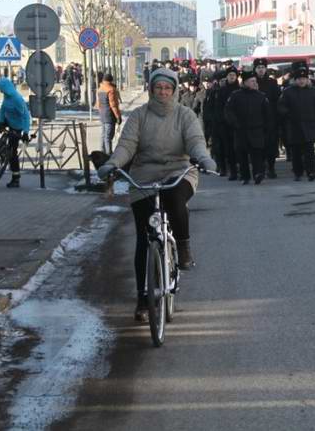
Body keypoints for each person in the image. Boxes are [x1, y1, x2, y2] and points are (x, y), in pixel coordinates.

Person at [96, 68, 216, 321]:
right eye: (158, 87)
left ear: (174, 90)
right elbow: (127, 145)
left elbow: (195, 140)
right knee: (144, 237)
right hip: (144, 175)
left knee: (174, 199)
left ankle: (183, 247)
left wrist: (203, 158)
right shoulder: (140, 115)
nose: (163, 92)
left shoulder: (185, 115)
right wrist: (114, 163)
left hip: (179, 171)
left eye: (167, 88)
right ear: (151, 89)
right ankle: (143, 299)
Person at [278, 65, 315, 181]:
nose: (302, 81)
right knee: (296, 151)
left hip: (309, 126)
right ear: (295, 80)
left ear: (307, 80)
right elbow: (281, 107)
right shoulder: (288, 92)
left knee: (309, 151)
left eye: (304, 79)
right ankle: (298, 172)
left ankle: (312, 171)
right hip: (294, 126)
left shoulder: (314, 92)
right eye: (299, 79)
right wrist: (288, 114)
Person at [224, 71, 269, 185]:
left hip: (256, 130)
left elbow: (267, 114)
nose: (255, 83)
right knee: (242, 154)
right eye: (252, 81)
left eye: (255, 81)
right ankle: (245, 176)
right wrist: (234, 123)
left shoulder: (261, 96)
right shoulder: (235, 95)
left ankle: (258, 174)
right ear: (244, 82)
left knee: (257, 154)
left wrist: (265, 127)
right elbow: (228, 111)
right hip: (241, 130)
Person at [0, 78, 31, 188]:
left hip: (17, 126)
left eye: (1, 89)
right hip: (8, 121)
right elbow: (2, 109)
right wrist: (0, 122)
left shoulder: (17, 99)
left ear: (6, 89)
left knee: (12, 152)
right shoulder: (6, 96)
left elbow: (25, 116)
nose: (0, 92)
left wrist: (25, 132)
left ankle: (16, 178)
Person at [253, 58, 281, 178]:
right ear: (255, 69)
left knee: (271, 144)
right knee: (259, 145)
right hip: (256, 119)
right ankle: (261, 169)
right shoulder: (252, 82)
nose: (261, 70)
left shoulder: (272, 82)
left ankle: (271, 167)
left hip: (270, 118)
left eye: (263, 68)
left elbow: (277, 100)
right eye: (258, 68)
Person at [213, 67, 241, 181]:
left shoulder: (240, 90)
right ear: (227, 77)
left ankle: (242, 170)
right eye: (230, 75)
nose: (232, 77)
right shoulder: (222, 91)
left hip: (239, 125)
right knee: (229, 150)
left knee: (240, 149)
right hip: (226, 125)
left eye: (234, 75)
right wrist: (224, 121)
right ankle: (233, 171)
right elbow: (219, 109)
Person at [97, 73, 122, 155]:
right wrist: (118, 116)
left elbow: (98, 104)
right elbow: (113, 105)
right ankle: (108, 154)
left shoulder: (100, 89)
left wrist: (101, 112)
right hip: (109, 115)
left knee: (103, 135)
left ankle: (102, 151)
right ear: (111, 80)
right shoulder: (111, 89)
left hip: (103, 114)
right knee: (108, 136)